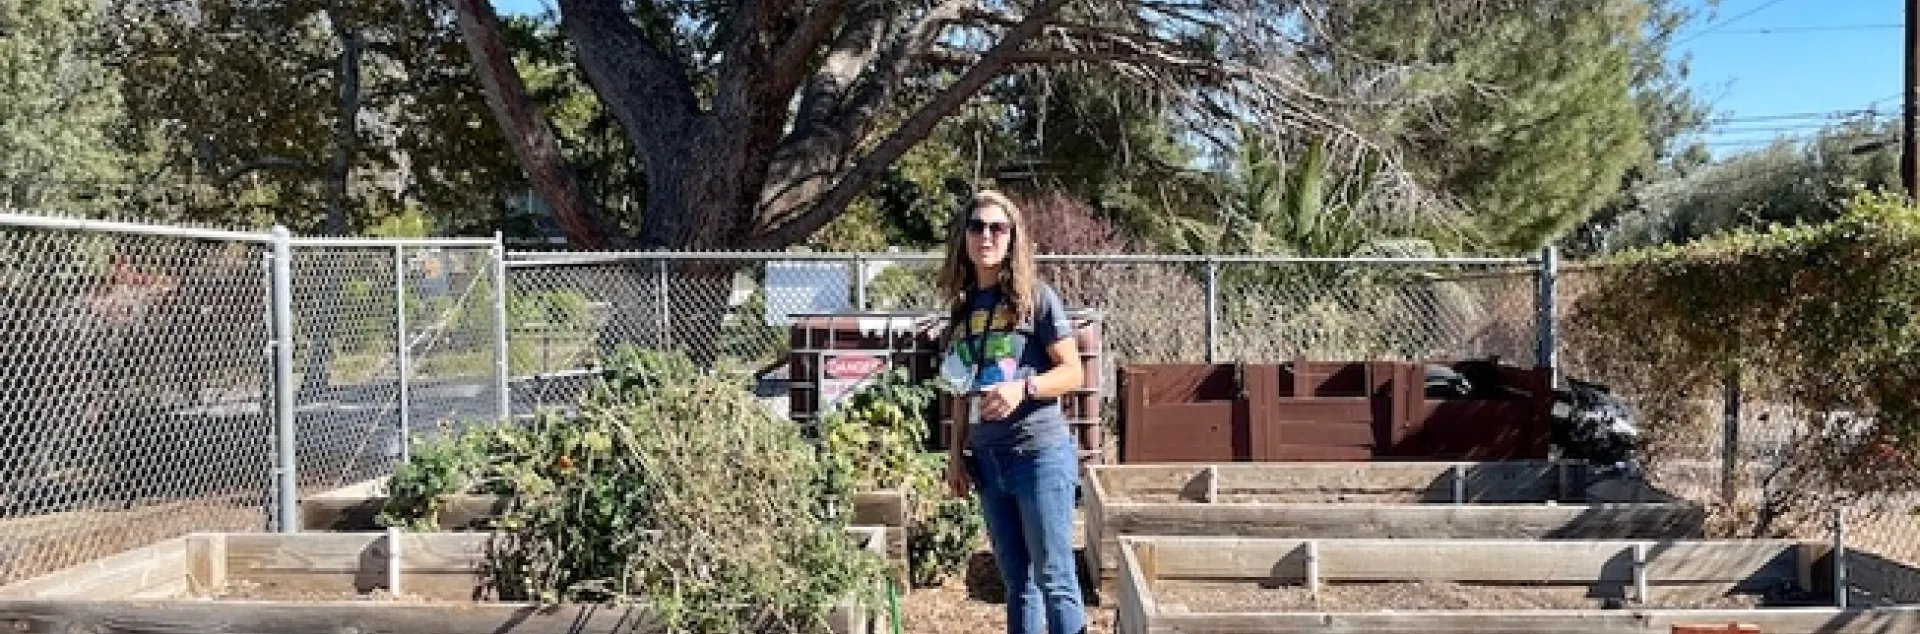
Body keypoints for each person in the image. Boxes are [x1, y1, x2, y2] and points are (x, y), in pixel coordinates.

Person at [938, 189, 1087, 634]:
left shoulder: (1035, 299)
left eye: (997, 228)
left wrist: (1025, 387)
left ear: (1012, 238)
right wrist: (954, 454)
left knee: (1055, 578)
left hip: (1038, 457)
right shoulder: (962, 311)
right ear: (964, 237)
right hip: (988, 463)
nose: (986, 235)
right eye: (977, 226)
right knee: (1018, 583)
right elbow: (961, 390)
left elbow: (1074, 372)